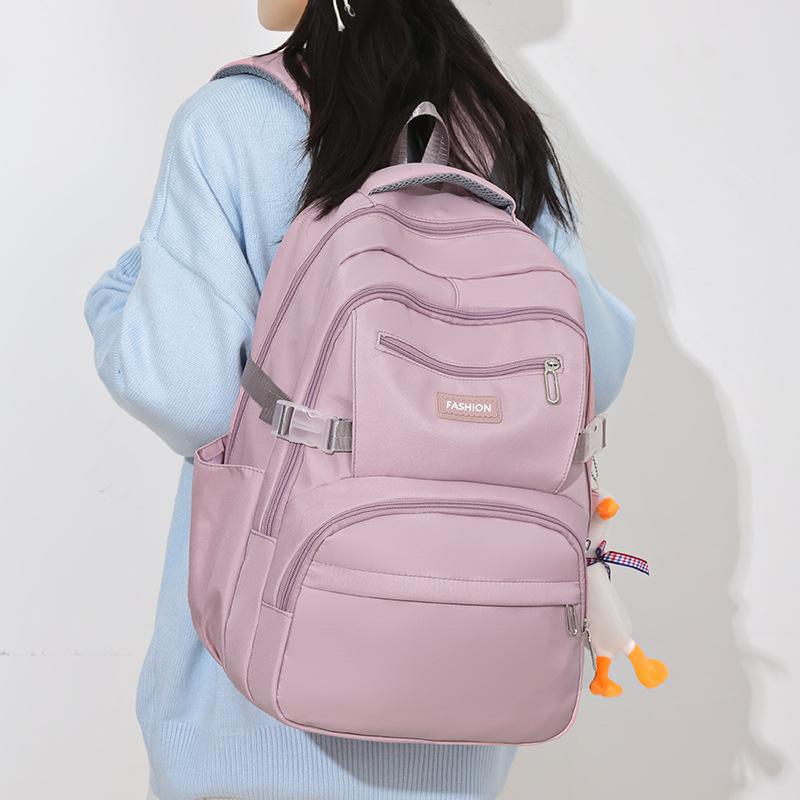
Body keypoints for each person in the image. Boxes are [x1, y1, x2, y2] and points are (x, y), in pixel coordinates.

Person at [85, 1, 635, 798]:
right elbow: (595, 366)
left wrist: (116, 301)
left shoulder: (233, 121)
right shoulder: (496, 130)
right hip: (465, 705)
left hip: (252, 707)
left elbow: (188, 393)